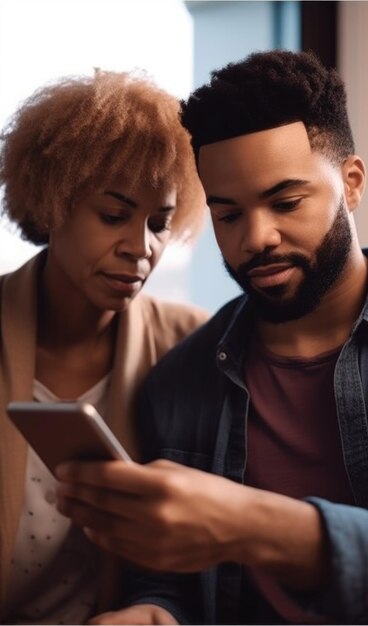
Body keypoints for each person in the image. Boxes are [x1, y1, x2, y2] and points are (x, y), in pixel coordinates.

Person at [54, 50, 368, 625]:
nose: (257, 237)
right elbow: (169, 584)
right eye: (227, 215)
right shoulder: (180, 380)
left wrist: (261, 527)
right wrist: (153, 613)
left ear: (350, 184)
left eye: (286, 202)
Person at [0, 69, 208, 625]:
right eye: (114, 216)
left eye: (160, 223)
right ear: (52, 203)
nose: (141, 248)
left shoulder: (193, 346)